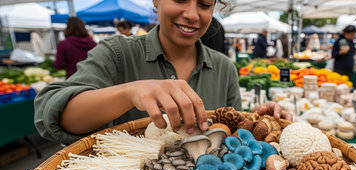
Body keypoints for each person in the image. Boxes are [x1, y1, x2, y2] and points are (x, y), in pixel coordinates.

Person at [35, 0, 292, 145]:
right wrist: (130, 92)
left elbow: (233, 135)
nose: (192, 14)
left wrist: (259, 120)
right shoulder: (117, 53)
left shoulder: (224, 67)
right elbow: (51, 114)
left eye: (204, 4)